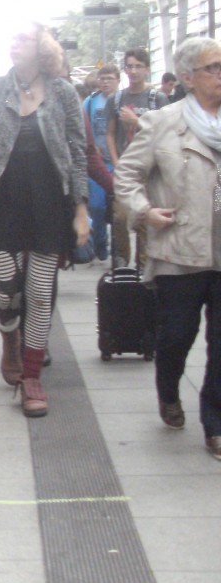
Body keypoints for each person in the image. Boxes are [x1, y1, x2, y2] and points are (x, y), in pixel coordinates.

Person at [0, 23, 89, 418]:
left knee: (39, 293)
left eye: (23, 38)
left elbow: (77, 151)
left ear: (42, 48)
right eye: (12, 37)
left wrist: (81, 208)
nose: (14, 43)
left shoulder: (64, 92)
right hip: (5, 204)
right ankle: (9, 338)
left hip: (51, 204)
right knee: (7, 289)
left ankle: (31, 377)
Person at [114, 36, 221, 460]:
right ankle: (169, 391)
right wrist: (144, 211)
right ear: (189, 77)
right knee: (176, 336)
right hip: (180, 248)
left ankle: (215, 423)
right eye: (214, 68)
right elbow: (127, 175)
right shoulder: (162, 122)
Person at [106, 48, 168, 269]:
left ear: (147, 69)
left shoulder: (158, 99)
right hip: (125, 169)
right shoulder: (116, 99)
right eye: (129, 66)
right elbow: (110, 133)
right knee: (120, 218)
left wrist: (136, 121)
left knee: (145, 219)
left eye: (138, 66)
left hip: (150, 170)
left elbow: (165, 133)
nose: (133, 71)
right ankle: (122, 261)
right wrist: (116, 162)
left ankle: (143, 268)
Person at [83, 64, 120, 261]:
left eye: (110, 78)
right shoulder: (90, 102)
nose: (106, 82)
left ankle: (119, 250)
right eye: (102, 78)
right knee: (97, 206)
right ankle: (100, 244)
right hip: (97, 162)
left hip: (120, 162)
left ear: (118, 81)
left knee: (119, 211)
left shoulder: (123, 100)